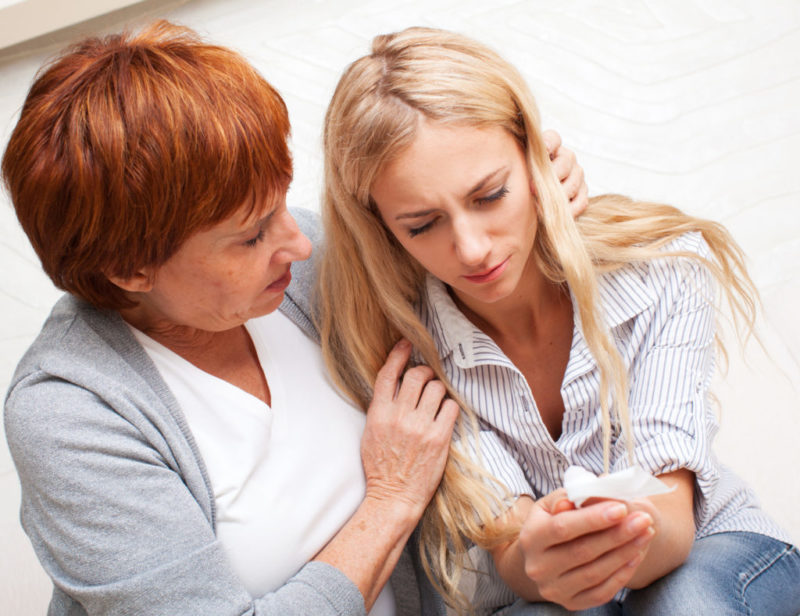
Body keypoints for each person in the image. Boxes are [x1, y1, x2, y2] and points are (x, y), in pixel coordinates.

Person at [1, 21, 586, 616]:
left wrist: (533, 190)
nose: (299, 241)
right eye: (252, 236)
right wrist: (390, 500)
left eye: (281, 199)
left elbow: (464, 253)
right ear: (130, 270)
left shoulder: (305, 266)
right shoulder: (69, 416)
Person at [317, 26, 800, 615]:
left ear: (538, 156)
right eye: (422, 225)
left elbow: (672, 520)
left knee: (687, 603)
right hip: (552, 596)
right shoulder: (413, 354)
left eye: (490, 195)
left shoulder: (661, 270)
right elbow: (512, 551)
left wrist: (602, 536)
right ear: (383, 229)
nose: (471, 249)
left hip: (714, 550)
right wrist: (540, 557)